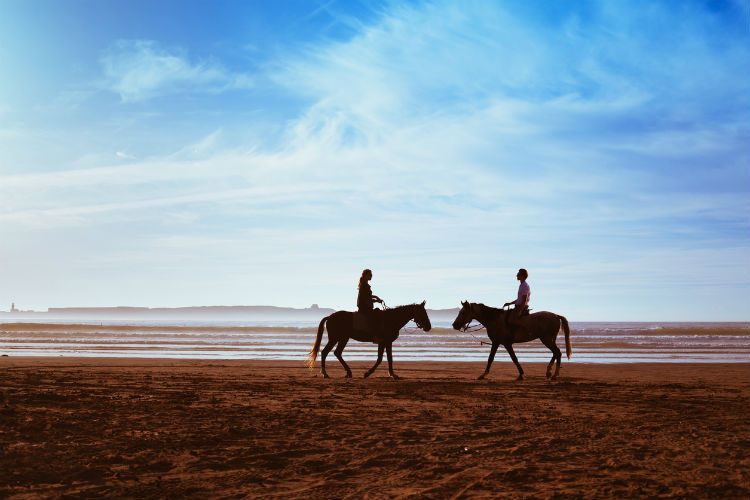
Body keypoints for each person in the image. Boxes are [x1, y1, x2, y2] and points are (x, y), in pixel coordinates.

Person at [357, 269, 385, 343]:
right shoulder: (364, 285)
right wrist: (376, 300)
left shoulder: (364, 284)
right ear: (365, 275)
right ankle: (375, 337)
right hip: (364, 307)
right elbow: (366, 298)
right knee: (374, 317)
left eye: (371, 275)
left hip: (365, 306)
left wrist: (376, 297)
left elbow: (368, 296)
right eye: (370, 275)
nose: (371, 276)